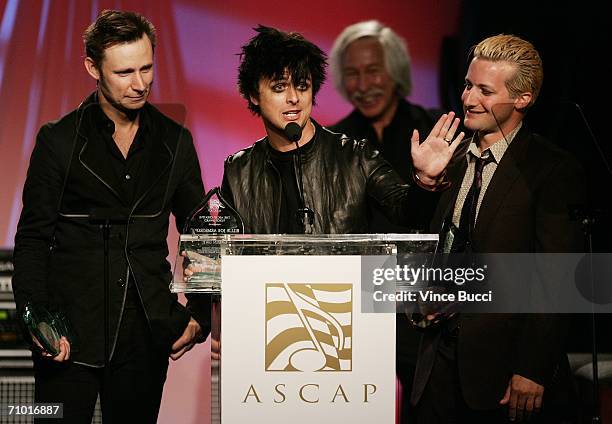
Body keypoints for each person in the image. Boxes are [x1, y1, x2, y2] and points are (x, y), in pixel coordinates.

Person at [12, 10, 209, 423]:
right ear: (92, 68)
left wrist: (200, 316)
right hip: (67, 336)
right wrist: (38, 317)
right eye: (124, 72)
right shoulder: (59, 141)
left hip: (144, 333)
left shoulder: (175, 142)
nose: (140, 84)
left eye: (147, 68)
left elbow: (201, 233)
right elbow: (32, 239)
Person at [410, 34, 584, 423]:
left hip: (502, 370)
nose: (469, 99)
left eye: (485, 91)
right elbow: (415, 242)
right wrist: (424, 182)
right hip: (435, 364)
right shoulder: (448, 158)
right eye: (469, 85)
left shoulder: (550, 169)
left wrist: (532, 368)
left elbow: (557, 277)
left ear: (522, 99)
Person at [221, 25, 460, 235]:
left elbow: (409, 215)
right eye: (279, 87)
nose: (294, 98)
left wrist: (426, 180)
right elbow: (220, 250)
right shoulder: (238, 169)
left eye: (302, 86)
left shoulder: (355, 155)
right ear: (254, 95)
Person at [328, 20, 440, 234]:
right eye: (352, 73)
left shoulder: (436, 129)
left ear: (395, 70)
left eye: (373, 70)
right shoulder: (331, 142)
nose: (363, 86)